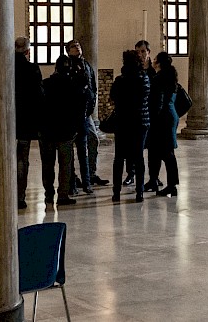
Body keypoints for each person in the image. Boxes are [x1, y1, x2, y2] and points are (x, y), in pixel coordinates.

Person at [39, 54, 86, 206]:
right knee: (65, 165)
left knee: (47, 164)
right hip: (66, 131)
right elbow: (80, 106)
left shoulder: (45, 84)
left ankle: (48, 193)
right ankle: (63, 195)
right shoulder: (73, 85)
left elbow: (39, 106)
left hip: (47, 131)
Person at [110, 49, 150, 202]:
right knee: (138, 157)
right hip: (140, 121)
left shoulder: (120, 80)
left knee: (119, 158)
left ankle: (116, 192)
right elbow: (146, 97)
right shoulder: (144, 78)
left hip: (123, 121)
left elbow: (113, 96)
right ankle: (139, 192)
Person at [66, 39, 106, 190]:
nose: (77, 47)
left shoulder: (87, 65)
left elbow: (93, 87)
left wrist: (91, 104)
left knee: (93, 139)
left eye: (78, 45)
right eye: (72, 46)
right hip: (72, 113)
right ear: (68, 51)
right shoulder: (68, 65)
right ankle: (73, 178)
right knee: (73, 146)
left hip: (85, 112)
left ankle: (90, 174)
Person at [14, 36, 43, 210]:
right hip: (25, 121)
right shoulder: (32, 69)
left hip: (8, 120)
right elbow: (38, 95)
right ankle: (19, 196)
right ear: (28, 51)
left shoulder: (6, 67)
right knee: (22, 159)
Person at [147, 51, 180, 197]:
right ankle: (155, 180)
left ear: (159, 63)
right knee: (158, 152)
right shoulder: (170, 76)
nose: (153, 62)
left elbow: (157, 100)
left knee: (166, 153)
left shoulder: (159, 78)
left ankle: (172, 186)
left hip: (163, 119)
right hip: (170, 115)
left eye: (154, 60)